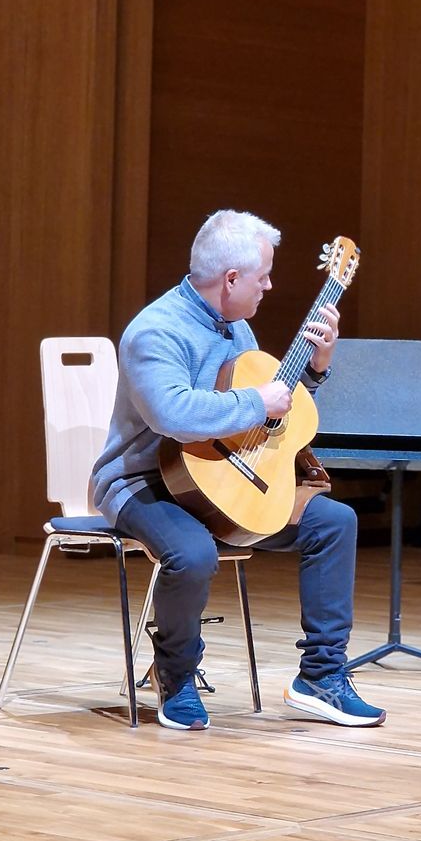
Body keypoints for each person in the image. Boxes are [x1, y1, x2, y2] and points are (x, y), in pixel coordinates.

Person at [92, 209, 385, 732]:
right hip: (145, 481)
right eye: (262, 276)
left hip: (227, 477)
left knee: (335, 522)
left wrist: (315, 369)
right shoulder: (155, 332)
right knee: (193, 553)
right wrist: (257, 401)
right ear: (230, 279)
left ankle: (321, 677)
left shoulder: (236, 328)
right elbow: (174, 415)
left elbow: (266, 412)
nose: (269, 286)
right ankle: (175, 675)